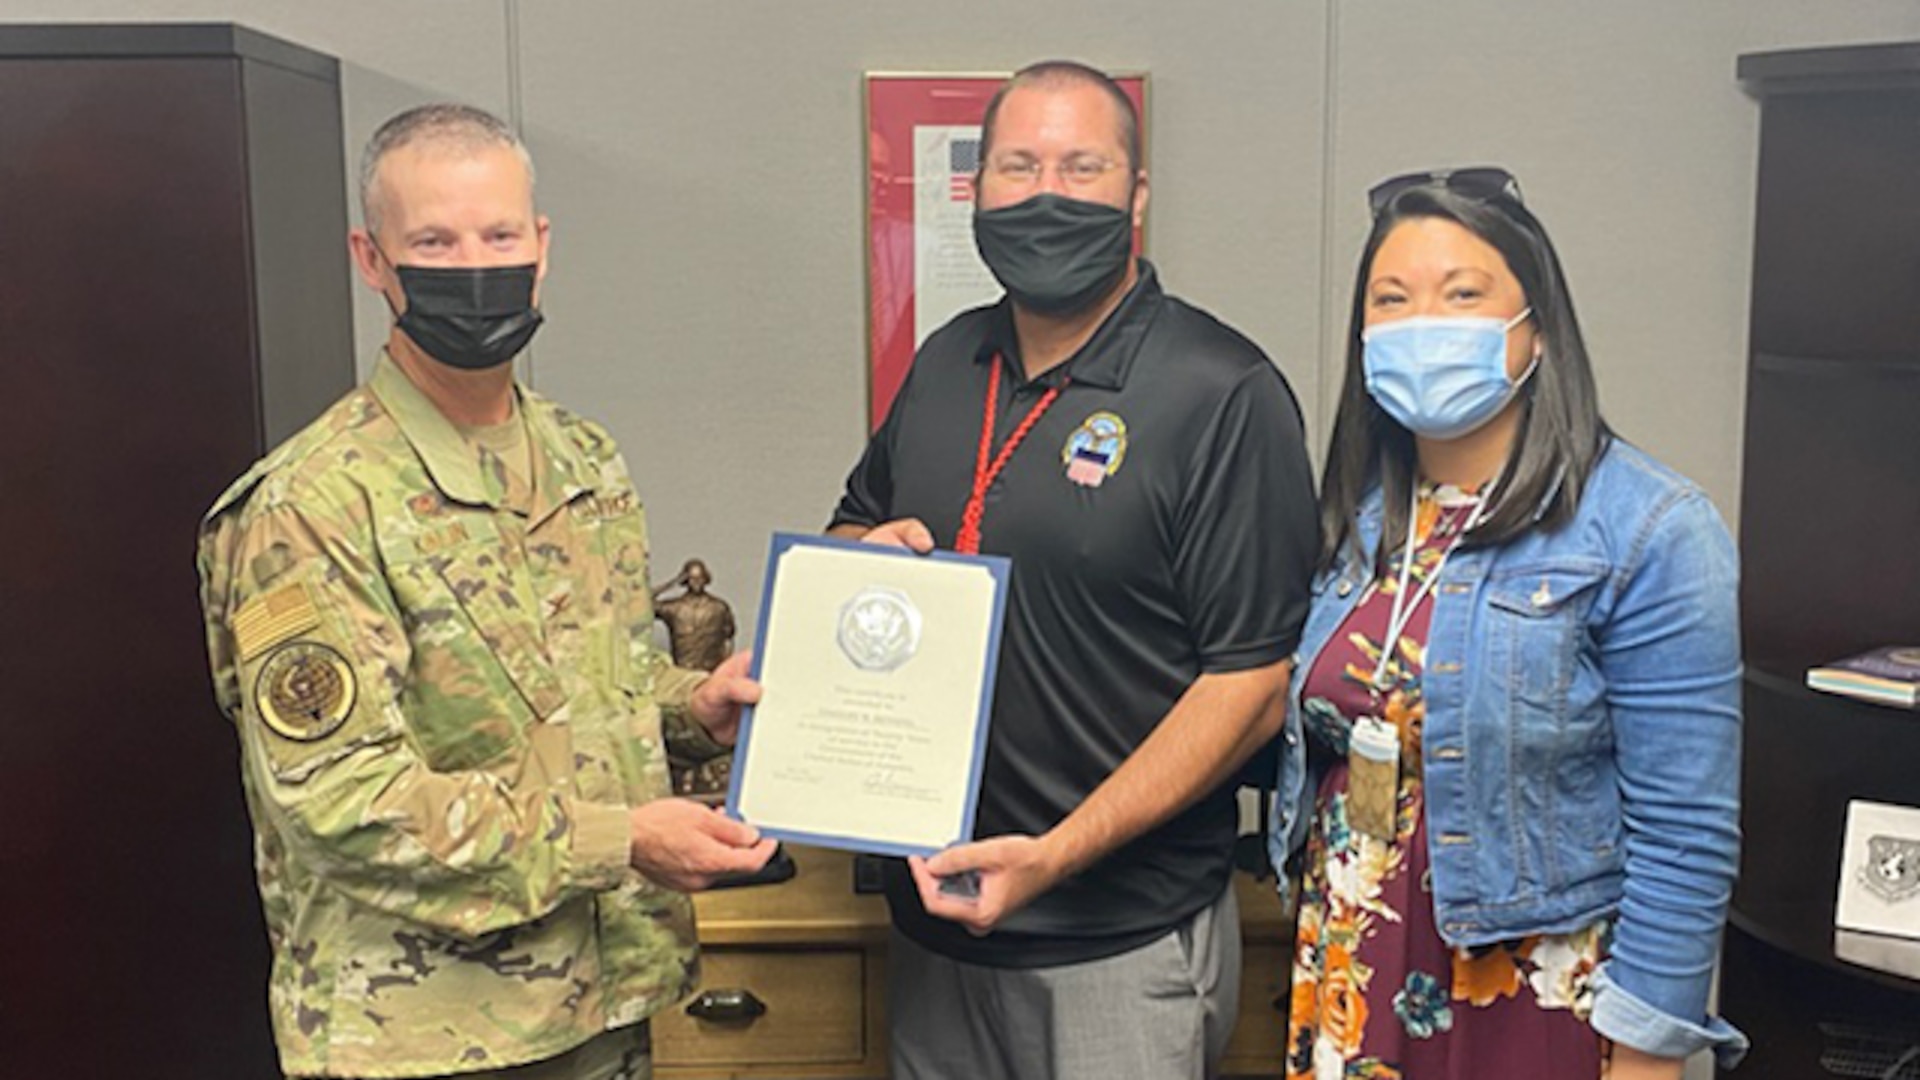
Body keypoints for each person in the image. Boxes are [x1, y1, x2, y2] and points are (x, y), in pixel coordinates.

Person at [196, 103, 775, 1080]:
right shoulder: (311, 505)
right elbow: (343, 801)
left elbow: (592, 692)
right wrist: (620, 842)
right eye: (433, 239)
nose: (474, 264)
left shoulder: (580, 459)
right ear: (371, 259)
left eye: (499, 234)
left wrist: (693, 709)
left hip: (604, 1003)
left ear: (541, 247)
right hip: (430, 1036)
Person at [828, 60, 1319, 1080]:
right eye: (1018, 165)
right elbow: (854, 528)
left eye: (1082, 166)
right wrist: (857, 563)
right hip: (937, 928)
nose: (1046, 193)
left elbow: (1253, 687)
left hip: (1118, 943)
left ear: (1137, 197)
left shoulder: (1222, 393)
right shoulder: (947, 360)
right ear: (976, 191)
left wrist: (1053, 857)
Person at [1270, 167, 1746, 1080]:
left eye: (1462, 295)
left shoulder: (1646, 526)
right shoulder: (1358, 521)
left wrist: (1650, 1050)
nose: (1422, 324)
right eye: (1392, 299)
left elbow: (1686, 830)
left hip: (1532, 997)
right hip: (1352, 967)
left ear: (1536, 329)